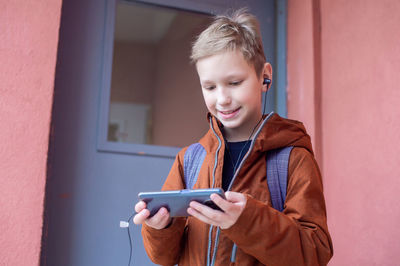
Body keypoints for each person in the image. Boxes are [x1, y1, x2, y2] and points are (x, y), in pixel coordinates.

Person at [133, 9, 333, 266]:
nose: (222, 99)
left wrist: (246, 220)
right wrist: (160, 227)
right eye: (210, 87)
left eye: (235, 82)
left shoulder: (292, 158)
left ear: (264, 75)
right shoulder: (190, 159)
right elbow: (163, 257)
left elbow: (315, 254)